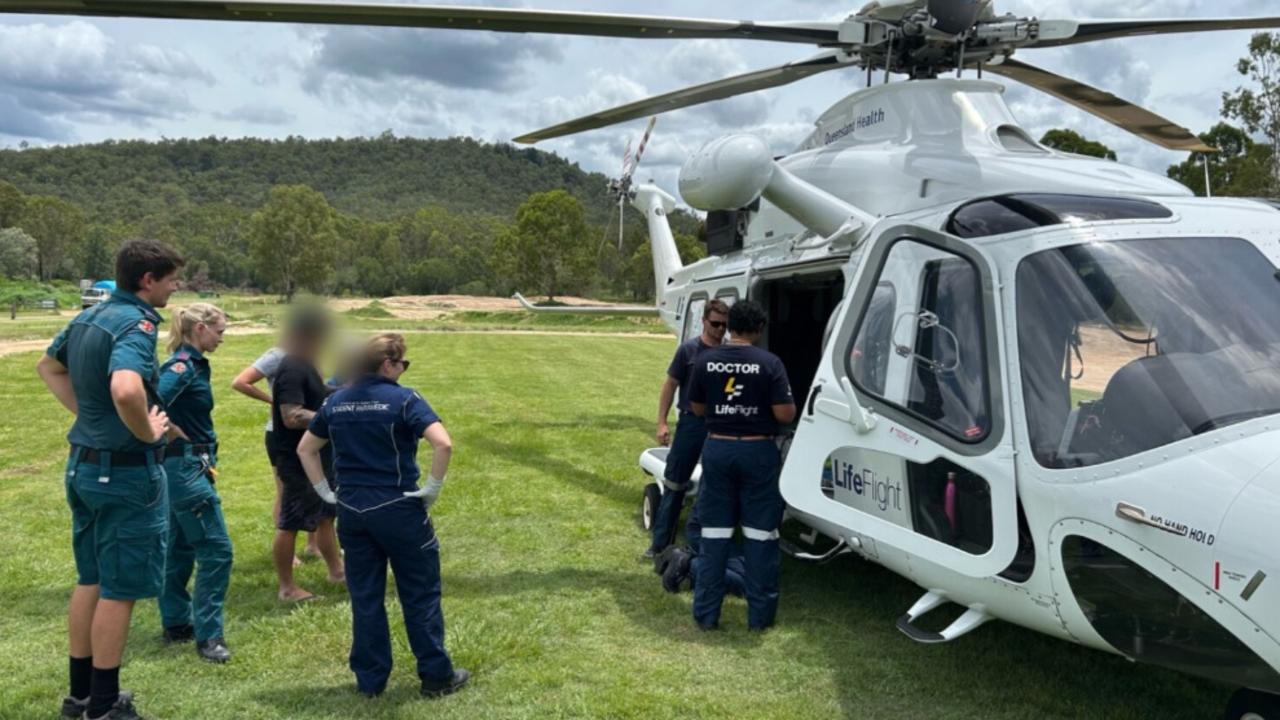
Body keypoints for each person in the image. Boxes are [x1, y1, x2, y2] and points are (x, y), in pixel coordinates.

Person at [37, 240, 184, 720]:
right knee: (119, 590)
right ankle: (103, 708)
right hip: (123, 475)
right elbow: (125, 388)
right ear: (148, 280)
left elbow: (49, 365)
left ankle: (80, 697)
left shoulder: (88, 317)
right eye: (170, 279)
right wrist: (147, 431)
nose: (174, 286)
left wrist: (91, 417)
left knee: (91, 579)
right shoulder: (137, 324)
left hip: (83, 466)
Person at [297, 333, 470, 699]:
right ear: (388, 364)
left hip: (354, 512)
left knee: (365, 596)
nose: (403, 370)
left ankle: (370, 680)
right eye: (402, 364)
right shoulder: (405, 399)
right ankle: (436, 676)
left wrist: (326, 492)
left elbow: (306, 449)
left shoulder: (336, 401)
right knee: (420, 593)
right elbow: (444, 443)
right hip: (399, 508)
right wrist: (433, 487)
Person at [686, 300, 796, 631]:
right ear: (759, 330)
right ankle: (760, 619)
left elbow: (697, 406)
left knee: (714, 534)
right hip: (757, 452)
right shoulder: (770, 363)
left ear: (730, 326)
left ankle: (706, 615)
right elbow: (784, 414)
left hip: (718, 448)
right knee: (761, 536)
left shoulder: (705, 360)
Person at [156, 303, 234, 663]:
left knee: (180, 546)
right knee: (216, 550)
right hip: (185, 466)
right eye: (219, 331)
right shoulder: (181, 367)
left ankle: (176, 622)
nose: (222, 337)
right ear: (199, 329)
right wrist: (171, 431)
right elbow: (147, 400)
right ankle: (209, 635)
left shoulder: (195, 365)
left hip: (192, 465)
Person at [270, 305, 344, 601]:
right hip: (296, 458)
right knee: (290, 522)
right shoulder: (292, 367)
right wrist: (332, 417)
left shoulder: (306, 363)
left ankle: (337, 571)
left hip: (316, 456)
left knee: (326, 515)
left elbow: (317, 392)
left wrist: (342, 394)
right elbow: (291, 415)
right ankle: (287, 588)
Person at [648, 299, 728, 558]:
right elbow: (670, 385)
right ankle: (659, 545)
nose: (719, 330)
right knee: (674, 483)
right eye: (715, 324)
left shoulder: (730, 354)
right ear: (704, 321)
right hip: (691, 424)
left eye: (724, 326)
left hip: (719, 425)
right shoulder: (688, 350)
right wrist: (661, 422)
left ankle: (699, 546)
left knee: (711, 485)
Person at [231, 343, 319, 566]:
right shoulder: (278, 355)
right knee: (286, 492)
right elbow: (240, 381)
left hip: (307, 431)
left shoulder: (307, 353)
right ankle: (289, 554)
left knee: (316, 488)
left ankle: (313, 544)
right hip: (281, 434)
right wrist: (274, 400)